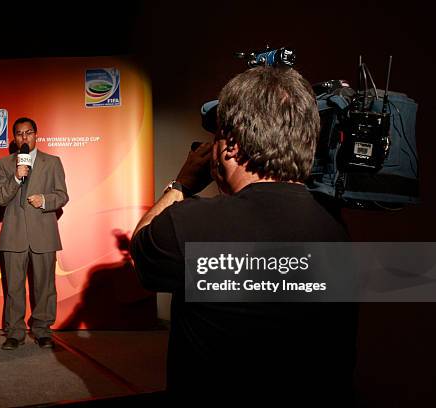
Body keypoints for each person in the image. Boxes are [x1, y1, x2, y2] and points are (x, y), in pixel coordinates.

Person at [131, 67, 358, 405]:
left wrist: (181, 184)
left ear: (231, 147)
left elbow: (141, 245)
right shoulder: (335, 231)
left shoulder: (192, 226)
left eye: (218, 136)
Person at [0, 117, 68, 350]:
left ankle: (42, 330)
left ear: (36, 134)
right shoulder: (4, 163)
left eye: (28, 133)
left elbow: (62, 195)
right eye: (19, 134)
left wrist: (45, 200)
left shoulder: (52, 162)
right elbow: (0, 198)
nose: (24, 137)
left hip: (44, 234)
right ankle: (14, 333)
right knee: (13, 287)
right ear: (14, 138)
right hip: (14, 235)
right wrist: (16, 177)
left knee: (45, 286)